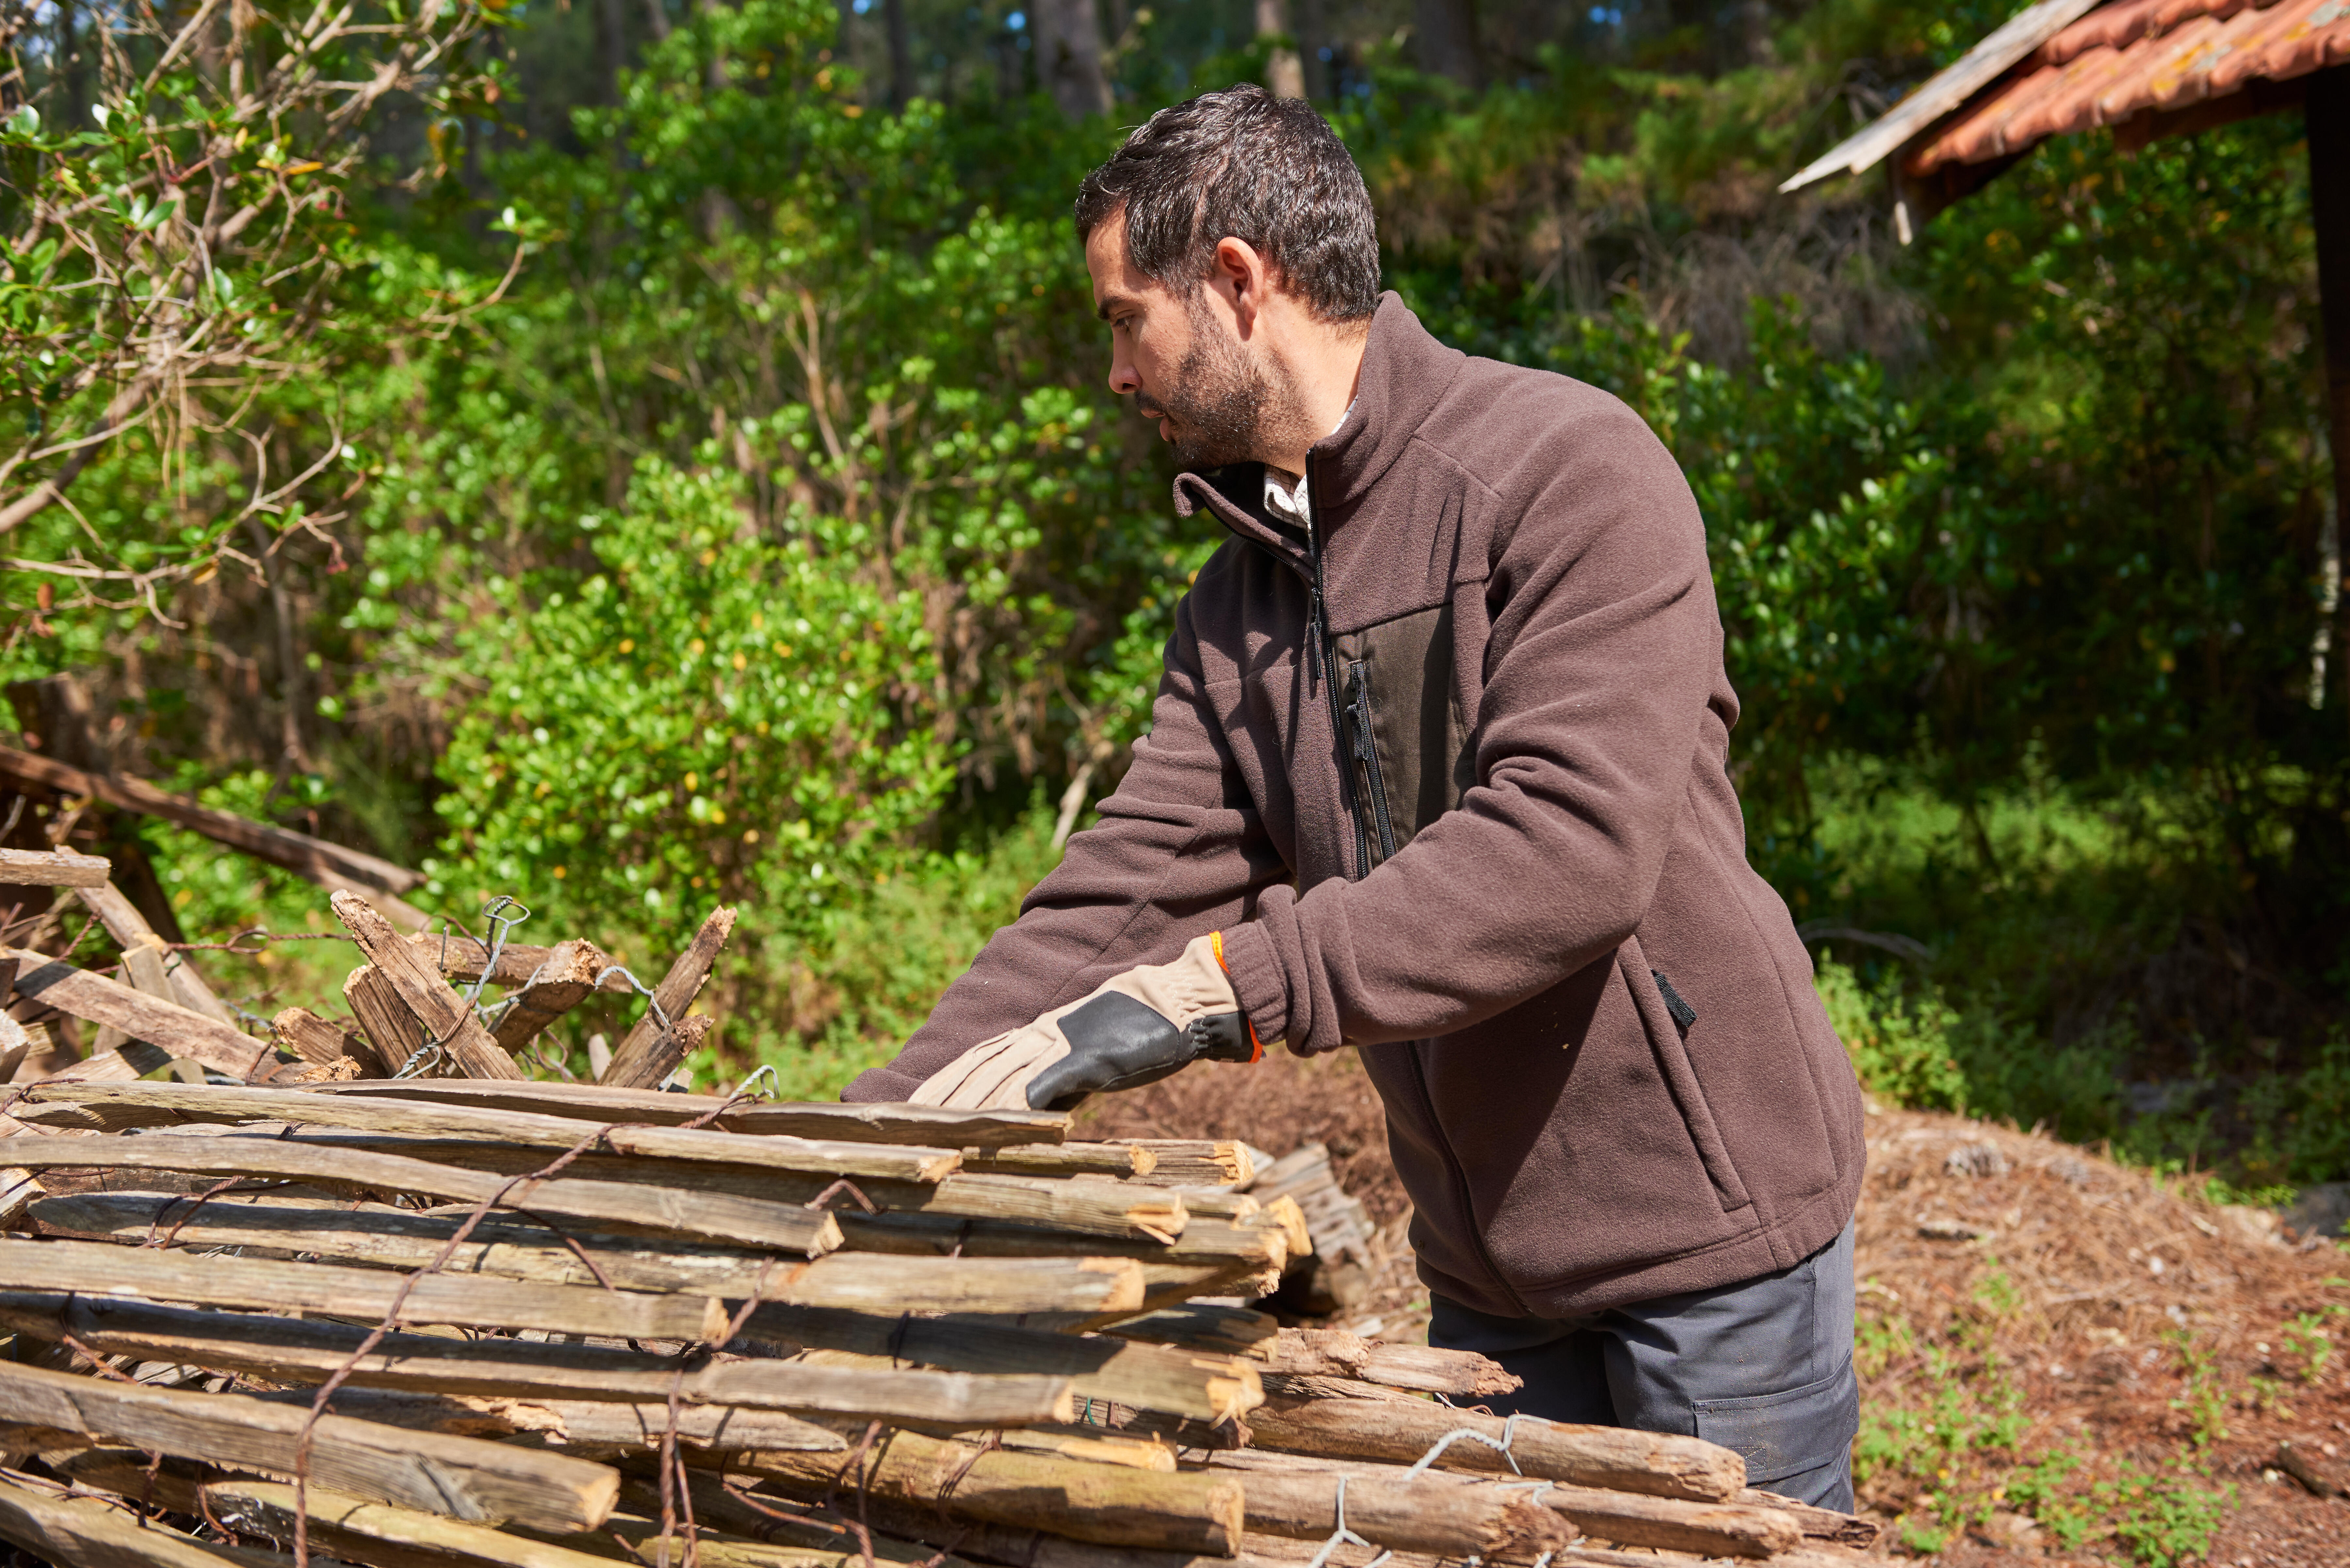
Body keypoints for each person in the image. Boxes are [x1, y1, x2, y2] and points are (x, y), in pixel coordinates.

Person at [842, 84, 1867, 1510]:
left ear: (1236, 283)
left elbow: (1567, 850)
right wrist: (858, 1135)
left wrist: (1224, 988)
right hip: (1490, 1267)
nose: (1117, 373)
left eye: (1121, 317)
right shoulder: (1238, 594)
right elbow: (1121, 892)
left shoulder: (1564, 471)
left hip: (1708, 1249)